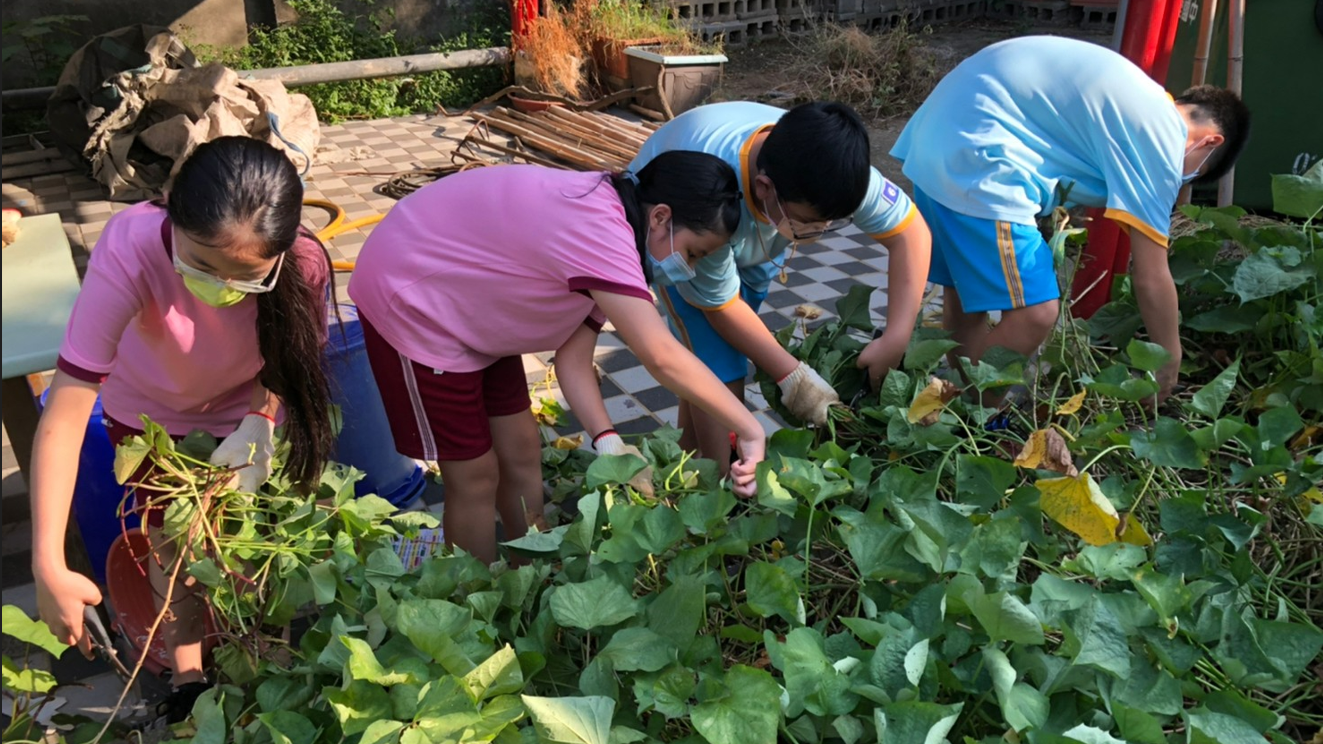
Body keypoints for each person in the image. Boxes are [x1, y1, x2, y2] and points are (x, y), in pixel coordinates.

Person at [30, 137, 335, 722]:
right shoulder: (130, 249)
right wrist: (48, 562)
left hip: (245, 408)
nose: (220, 288)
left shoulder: (305, 262)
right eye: (201, 263)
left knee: (256, 538)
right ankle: (189, 673)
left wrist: (260, 419)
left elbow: (287, 366)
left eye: (244, 278)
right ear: (171, 206)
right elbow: (66, 411)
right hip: (151, 421)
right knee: (175, 542)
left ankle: (264, 653)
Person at [348, 152, 768, 565]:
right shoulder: (600, 230)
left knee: (521, 448)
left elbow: (573, 358)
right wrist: (748, 428)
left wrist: (608, 441)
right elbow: (661, 355)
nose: (689, 269)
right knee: (474, 475)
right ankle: (472, 607)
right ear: (660, 217)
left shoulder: (624, 234)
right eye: (693, 253)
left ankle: (526, 570)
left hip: (475, 300)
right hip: (413, 296)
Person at [891, 35, 1251, 405]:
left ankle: (956, 402)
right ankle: (966, 415)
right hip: (981, 161)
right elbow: (1151, 276)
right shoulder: (1164, 136)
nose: (1181, 180)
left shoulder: (1137, 95)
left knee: (968, 298)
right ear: (1210, 142)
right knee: (1035, 312)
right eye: (1192, 174)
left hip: (936, 138)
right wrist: (1168, 363)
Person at [629, 101, 932, 466]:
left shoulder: (831, 170)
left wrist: (896, 337)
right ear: (765, 187)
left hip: (754, 231)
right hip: (681, 234)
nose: (817, 235)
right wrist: (794, 378)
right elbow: (720, 308)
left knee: (728, 349)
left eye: (829, 224)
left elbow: (911, 234)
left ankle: (691, 466)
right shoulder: (708, 190)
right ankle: (720, 488)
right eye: (808, 222)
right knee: (718, 364)